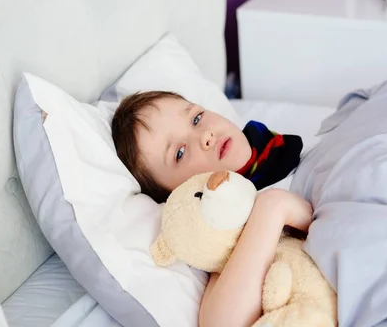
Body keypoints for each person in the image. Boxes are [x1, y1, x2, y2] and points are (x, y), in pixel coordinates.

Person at [111, 91, 313, 327]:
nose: (206, 136)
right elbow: (220, 322)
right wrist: (273, 209)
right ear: (178, 193)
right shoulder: (225, 224)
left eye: (196, 118)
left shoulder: (281, 150)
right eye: (180, 153)